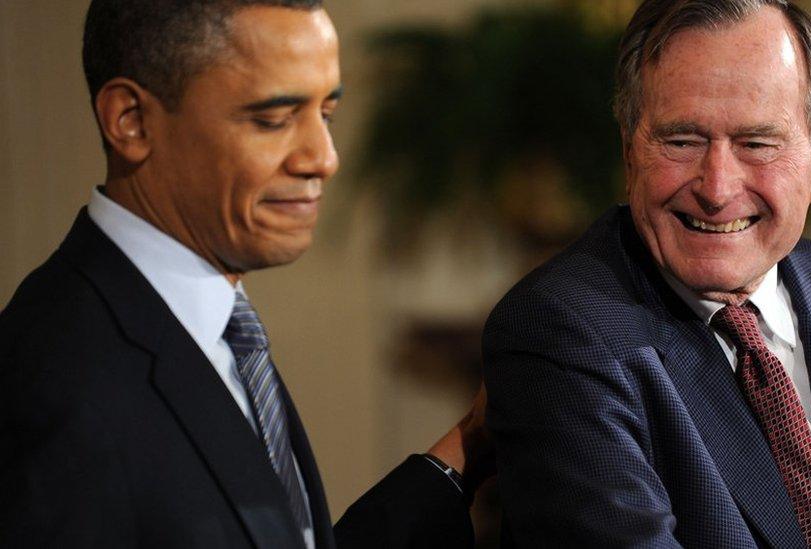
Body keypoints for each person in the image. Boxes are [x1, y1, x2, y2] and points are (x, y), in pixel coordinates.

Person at [0, 1, 490, 547]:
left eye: (324, 114)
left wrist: (467, 448)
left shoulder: (211, 322)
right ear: (131, 121)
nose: (322, 158)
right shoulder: (55, 383)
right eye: (273, 119)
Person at [483, 1, 811, 547]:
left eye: (756, 143)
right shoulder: (559, 333)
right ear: (630, 148)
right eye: (683, 141)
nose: (717, 188)